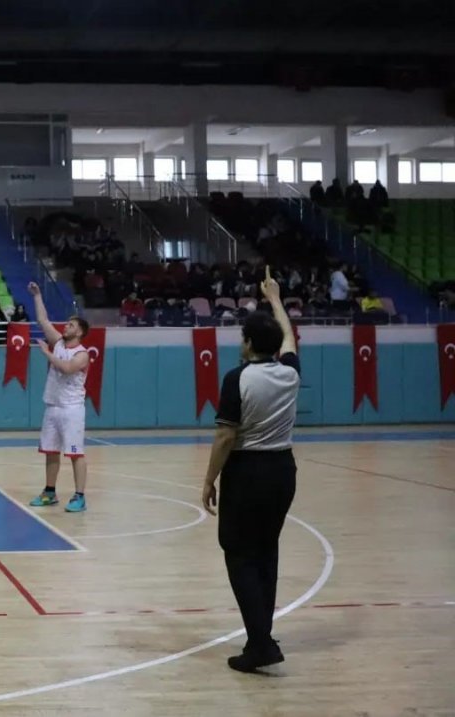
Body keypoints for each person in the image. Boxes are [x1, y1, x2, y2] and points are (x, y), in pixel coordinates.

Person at [201, 268, 300, 674]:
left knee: (238, 554)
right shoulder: (290, 373)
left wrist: (209, 480)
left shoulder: (236, 378)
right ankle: (262, 635)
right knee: (266, 553)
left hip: (247, 472)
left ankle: (260, 643)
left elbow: (226, 437)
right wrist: (275, 299)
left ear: (248, 344)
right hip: (282, 471)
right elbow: (289, 340)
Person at [26, 282, 91, 513]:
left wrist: (46, 353)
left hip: (72, 409)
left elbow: (66, 368)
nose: (66, 326)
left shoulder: (82, 354)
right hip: (53, 406)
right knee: (51, 451)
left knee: (75, 453)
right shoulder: (59, 343)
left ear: (80, 331)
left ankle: (80, 495)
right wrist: (37, 295)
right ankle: (49, 492)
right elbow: (43, 321)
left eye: (71, 325)